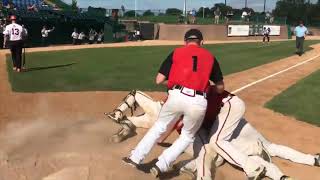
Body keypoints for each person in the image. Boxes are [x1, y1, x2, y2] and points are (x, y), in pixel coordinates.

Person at [106, 87, 320, 179]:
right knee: (216, 151)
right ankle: (306, 163)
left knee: (211, 152)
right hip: (229, 129)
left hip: (223, 131)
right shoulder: (198, 105)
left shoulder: (183, 109)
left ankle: (184, 168)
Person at [122, 29, 223, 178]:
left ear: (185, 42)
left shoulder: (176, 52)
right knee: (187, 136)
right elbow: (220, 88)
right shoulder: (210, 57)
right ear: (201, 42)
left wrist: (176, 85)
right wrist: (206, 87)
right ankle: (161, 164)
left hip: (176, 96)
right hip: (198, 101)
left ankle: (135, 158)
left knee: (159, 126)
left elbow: (159, 80)